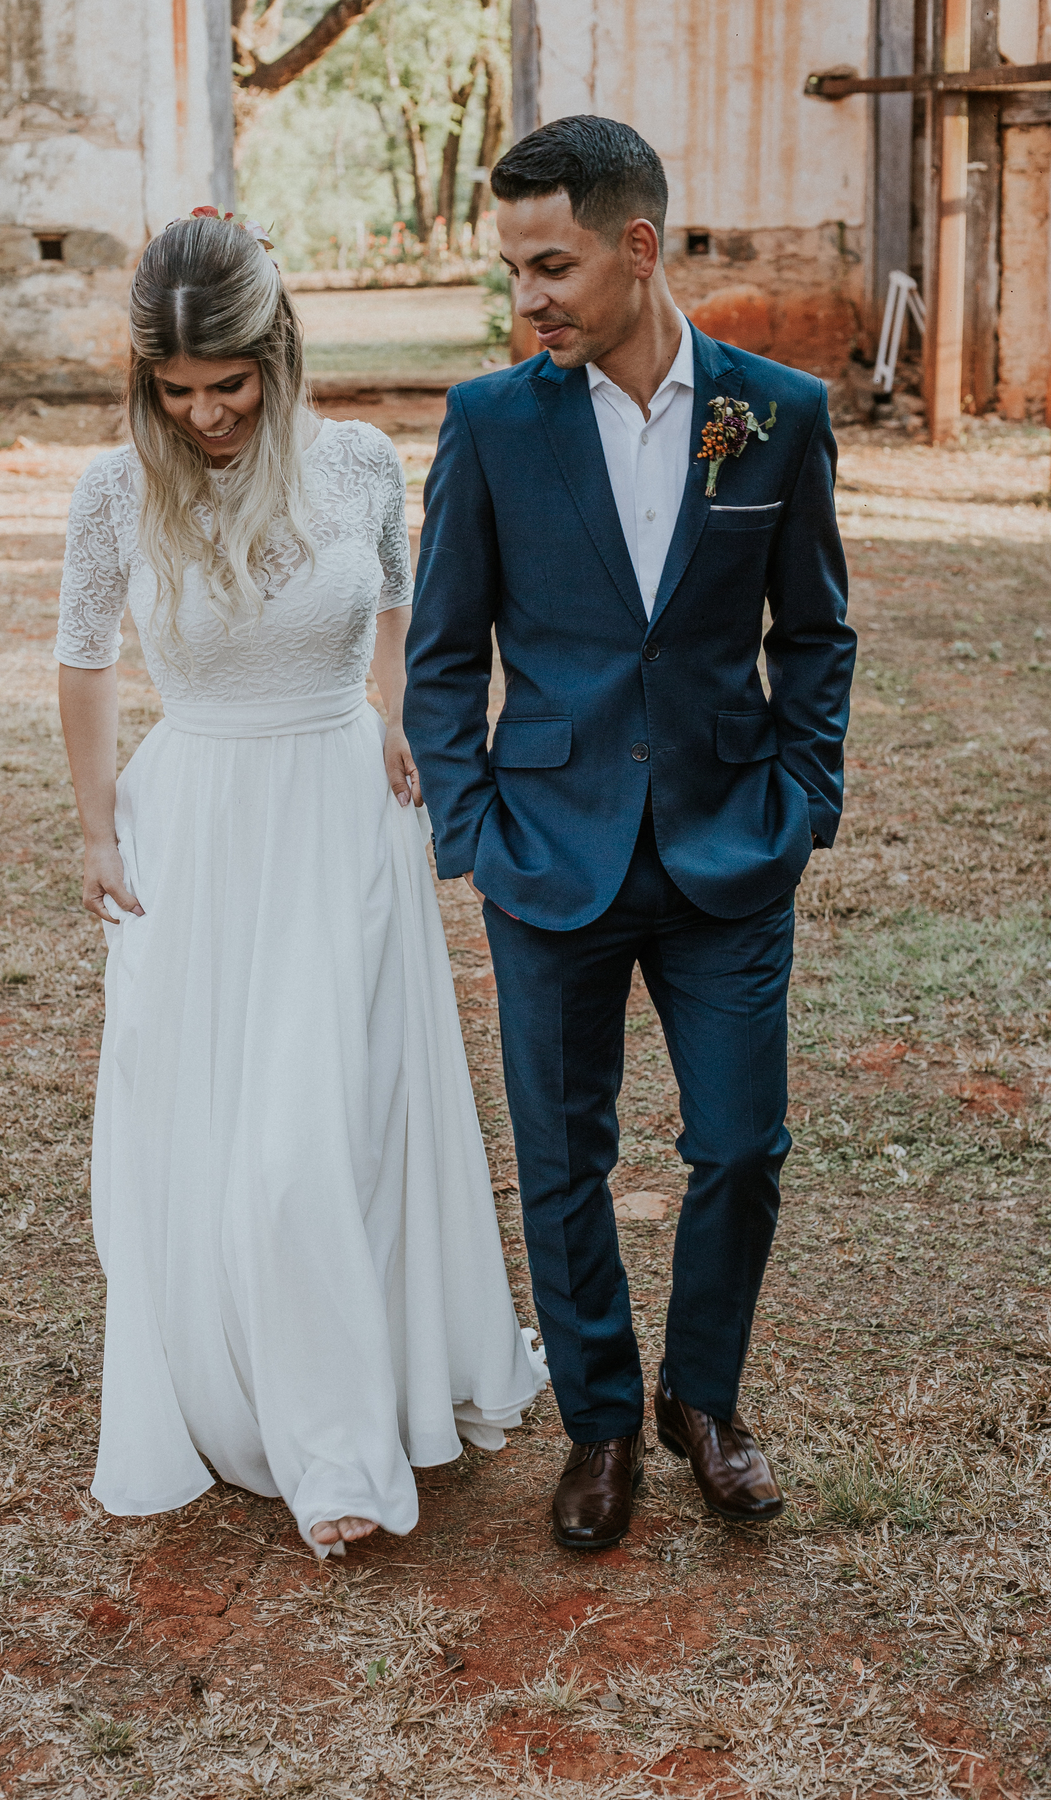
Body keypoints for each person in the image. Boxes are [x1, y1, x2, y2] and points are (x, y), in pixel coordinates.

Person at [55, 208, 544, 1556]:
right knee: (213, 1128)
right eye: (176, 390)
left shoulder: (362, 465)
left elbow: (390, 604)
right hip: (200, 827)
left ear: (277, 351)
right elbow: (84, 657)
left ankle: (337, 1447)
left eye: (229, 383)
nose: (205, 415)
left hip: (339, 820)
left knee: (316, 1135)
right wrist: (98, 831)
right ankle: (252, 1382)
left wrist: (394, 710)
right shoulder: (116, 489)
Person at [405, 118, 856, 1551]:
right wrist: (474, 828)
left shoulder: (773, 413)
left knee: (740, 1145)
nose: (526, 298)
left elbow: (818, 633)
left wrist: (807, 797)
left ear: (637, 247)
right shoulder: (490, 422)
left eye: (551, 265)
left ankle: (701, 1401)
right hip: (551, 853)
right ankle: (601, 1424)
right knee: (560, 1156)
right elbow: (439, 652)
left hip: (732, 847)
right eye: (513, 269)